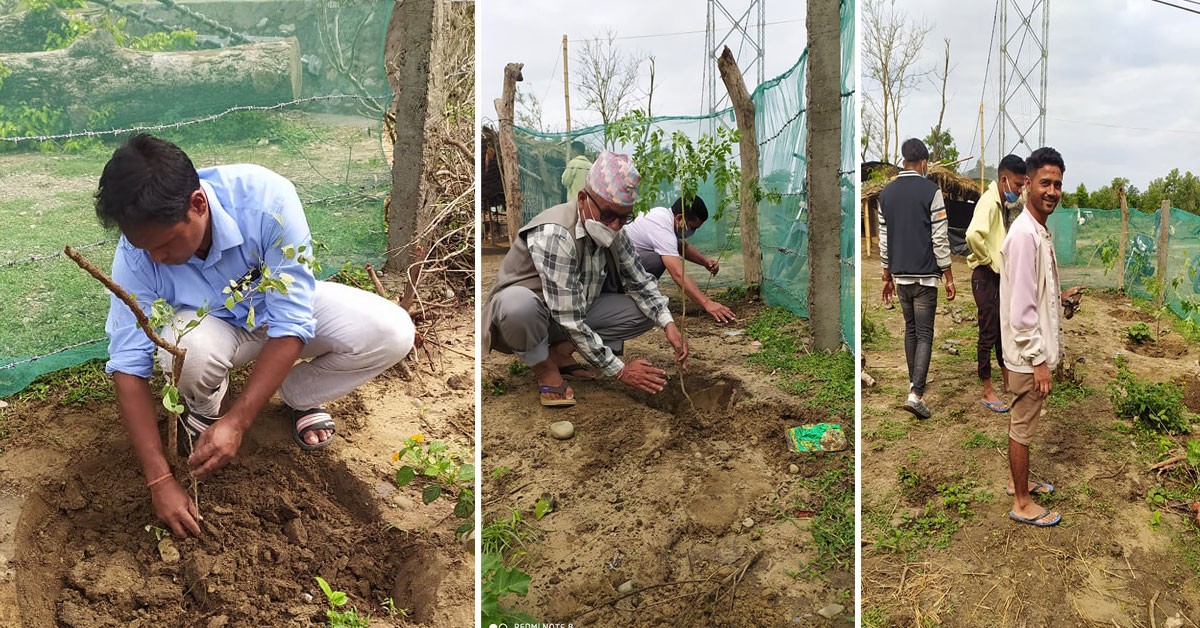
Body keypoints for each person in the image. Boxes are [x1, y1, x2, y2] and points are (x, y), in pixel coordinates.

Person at [97, 134, 415, 538]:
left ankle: (298, 396)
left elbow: (292, 321)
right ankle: (207, 411)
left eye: (164, 244)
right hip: (213, 326)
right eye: (145, 248)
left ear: (198, 204)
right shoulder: (136, 253)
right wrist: (160, 481)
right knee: (187, 351)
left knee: (393, 332)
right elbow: (128, 365)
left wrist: (242, 420)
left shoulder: (267, 202)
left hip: (274, 311)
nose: (156, 258)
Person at [482, 150, 689, 407]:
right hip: (520, 321)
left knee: (646, 311)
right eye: (608, 215)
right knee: (518, 305)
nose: (615, 225)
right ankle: (544, 367)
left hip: (568, 312)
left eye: (624, 217)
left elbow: (640, 280)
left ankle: (559, 353)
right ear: (583, 199)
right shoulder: (555, 233)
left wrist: (668, 323)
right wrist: (621, 370)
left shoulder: (616, 232)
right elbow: (569, 318)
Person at [999, 146, 1067, 527]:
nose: (1052, 191)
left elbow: (1034, 294)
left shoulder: (1036, 231)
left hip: (1028, 354)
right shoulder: (1025, 235)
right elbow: (1022, 311)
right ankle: (1022, 503)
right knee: (1022, 426)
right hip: (1027, 357)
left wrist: (1059, 300)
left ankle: (1017, 482)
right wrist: (1039, 362)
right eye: (1045, 182)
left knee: (1022, 422)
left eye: (1057, 184)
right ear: (1027, 184)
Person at [878, 138, 955, 419]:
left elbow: (884, 241)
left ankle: (914, 383)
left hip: (900, 276)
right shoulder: (931, 191)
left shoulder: (885, 194)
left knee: (910, 329)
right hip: (925, 278)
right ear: (923, 163)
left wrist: (887, 275)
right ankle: (916, 395)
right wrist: (948, 274)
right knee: (924, 333)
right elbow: (939, 237)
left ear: (902, 161)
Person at [965, 154, 1027, 413]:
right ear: (1003, 180)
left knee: (1002, 331)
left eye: (1022, 185)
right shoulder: (989, 203)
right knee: (988, 332)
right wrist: (989, 261)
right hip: (985, 275)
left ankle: (1005, 381)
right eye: (1017, 185)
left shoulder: (1001, 203)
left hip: (996, 276)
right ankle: (987, 389)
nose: (1019, 190)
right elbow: (972, 235)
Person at [622, 195, 736, 323]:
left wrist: (704, 261)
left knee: (659, 257)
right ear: (680, 218)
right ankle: (628, 297)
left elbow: (681, 245)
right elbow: (677, 273)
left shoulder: (663, 215)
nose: (692, 232)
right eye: (692, 227)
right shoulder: (661, 227)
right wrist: (708, 303)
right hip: (617, 268)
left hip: (626, 261)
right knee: (657, 261)